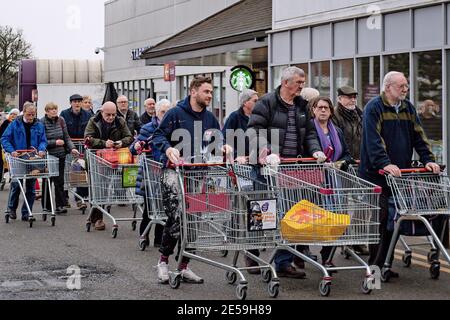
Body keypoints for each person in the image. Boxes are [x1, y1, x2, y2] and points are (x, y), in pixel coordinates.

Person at [359, 71, 440, 278]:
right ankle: (374, 271)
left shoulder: (408, 108)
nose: (405, 89)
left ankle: (385, 265)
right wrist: (385, 163)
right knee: (380, 220)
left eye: (406, 86)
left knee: (393, 222)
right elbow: (373, 141)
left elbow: (419, 136)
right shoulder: (373, 108)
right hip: (375, 175)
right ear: (388, 87)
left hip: (399, 176)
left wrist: (428, 159)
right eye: (401, 86)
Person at [152, 76, 232, 284]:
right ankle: (163, 262)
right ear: (193, 91)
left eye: (211, 92)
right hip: (174, 173)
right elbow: (158, 136)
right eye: (206, 91)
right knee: (177, 217)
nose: (210, 95)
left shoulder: (209, 118)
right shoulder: (175, 113)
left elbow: (217, 139)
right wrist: (168, 148)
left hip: (198, 173)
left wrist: (223, 147)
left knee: (194, 220)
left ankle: (184, 266)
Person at [247, 66, 326, 279]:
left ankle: (283, 262)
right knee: (262, 214)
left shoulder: (302, 105)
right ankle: (251, 254)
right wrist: (268, 152)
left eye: (303, 82)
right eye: (299, 82)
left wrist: (316, 149)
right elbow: (253, 130)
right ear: (286, 83)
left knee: (291, 216)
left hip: (292, 169)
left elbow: (309, 133)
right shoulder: (267, 103)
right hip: (267, 167)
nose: (302, 86)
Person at [310, 96, 354, 269]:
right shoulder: (309, 130)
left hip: (335, 181)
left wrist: (341, 162)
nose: (323, 110)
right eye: (319, 107)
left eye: (326, 108)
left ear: (330, 111)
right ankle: (301, 252)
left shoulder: (337, 130)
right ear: (313, 109)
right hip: (314, 180)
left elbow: (347, 154)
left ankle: (327, 256)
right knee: (314, 219)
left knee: (333, 218)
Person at [84, 101, 134, 231]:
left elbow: (129, 137)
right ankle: (97, 219)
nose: (111, 117)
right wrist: (104, 143)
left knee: (117, 184)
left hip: (115, 158)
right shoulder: (93, 121)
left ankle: (99, 214)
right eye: (108, 115)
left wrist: (120, 142)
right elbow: (88, 139)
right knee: (99, 188)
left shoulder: (120, 121)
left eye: (113, 114)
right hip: (97, 159)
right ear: (102, 112)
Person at [332, 86, 369, 256]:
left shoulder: (360, 114)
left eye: (354, 96)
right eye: (348, 97)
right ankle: (344, 240)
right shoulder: (335, 116)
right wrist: (347, 159)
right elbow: (336, 140)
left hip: (360, 165)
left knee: (366, 202)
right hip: (342, 165)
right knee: (341, 205)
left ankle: (358, 239)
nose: (352, 100)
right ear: (340, 98)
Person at [131, 99, 172, 248]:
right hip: (150, 172)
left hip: (166, 171)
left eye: (168, 112)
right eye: (163, 112)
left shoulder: (173, 128)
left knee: (164, 207)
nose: (165, 115)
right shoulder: (148, 128)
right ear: (156, 113)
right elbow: (133, 148)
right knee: (150, 208)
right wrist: (136, 146)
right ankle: (144, 236)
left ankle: (159, 239)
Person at [1, 103, 47, 221]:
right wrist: (12, 151)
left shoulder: (39, 125)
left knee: (31, 187)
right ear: (23, 112)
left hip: (33, 158)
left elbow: (43, 140)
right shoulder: (14, 124)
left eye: (33, 114)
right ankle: (12, 208)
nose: (31, 116)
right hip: (18, 158)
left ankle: (26, 212)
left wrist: (41, 149)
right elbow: (4, 138)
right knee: (16, 184)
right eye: (29, 114)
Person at [40, 102, 80, 215]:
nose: (53, 111)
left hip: (60, 155)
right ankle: (47, 206)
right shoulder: (42, 122)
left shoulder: (61, 120)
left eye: (55, 109)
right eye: (51, 109)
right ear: (46, 111)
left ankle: (60, 205)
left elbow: (66, 137)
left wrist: (72, 148)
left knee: (60, 181)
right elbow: (42, 141)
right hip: (48, 156)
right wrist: (55, 142)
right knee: (47, 181)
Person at [60, 94, 92, 210]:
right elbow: (62, 130)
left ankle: (80, 199)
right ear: (71, 103)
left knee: (80, 172)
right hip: (68, 148)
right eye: (75, 102)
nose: (77, 104)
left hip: (82, 147)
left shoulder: (88, 115)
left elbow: (91, 130)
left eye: (79, 101)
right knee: (66, 173)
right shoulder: (64, 114)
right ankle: (65, 199)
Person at [0, 108, 20, 186]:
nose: (13, 115)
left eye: (15, 114)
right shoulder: (6, 122)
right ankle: (3, 178)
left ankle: (13, 178)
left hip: (16, 147)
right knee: (5, 163)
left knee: (14, 164)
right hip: (6, 147)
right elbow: (2, 135)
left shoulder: (18, 124)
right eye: (12, 114)